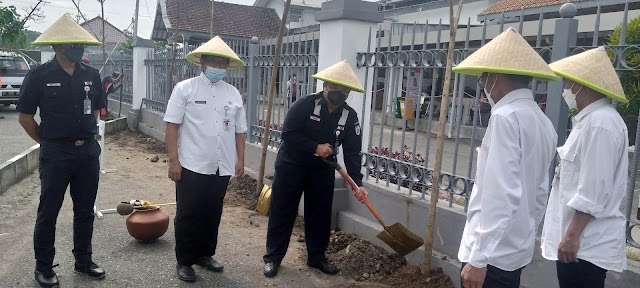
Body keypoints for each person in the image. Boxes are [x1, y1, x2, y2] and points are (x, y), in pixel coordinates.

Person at [452, 27, 559, 288]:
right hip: (514, 251)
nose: (484, 86)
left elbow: (500, 194)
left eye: (483, 79)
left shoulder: (505, 117)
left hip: (490, 258)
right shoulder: (543, 122)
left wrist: (478, 258)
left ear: (495, 77)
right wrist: (524, 232)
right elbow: (540, 192)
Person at [16, 15, 106, 288]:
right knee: (49, 212)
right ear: (57, 46)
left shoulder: (91, 74)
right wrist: (47, 142)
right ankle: (43, 267)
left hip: (87, 153)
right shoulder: (39, 75)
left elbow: (98, 110)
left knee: (85, 211)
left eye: (79, 43)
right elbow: (25, 117)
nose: (77, 48)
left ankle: (83, 260)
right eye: (70, 43)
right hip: (56, 154)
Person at [263, 60, 368, 278]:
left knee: (319, 215)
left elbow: (352, 153)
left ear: (349, 92)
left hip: (322, 171)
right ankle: (273, 258)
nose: (339, 92)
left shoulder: (350, 117)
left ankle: (317, 257)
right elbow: (288, 135)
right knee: (282, 212)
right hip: (292, 166)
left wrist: (357, 184)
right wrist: (315, 147)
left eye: (344, 89)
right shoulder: (304, 105)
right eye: (335, 87)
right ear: (326, 86)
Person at [541, 46, 629, 288]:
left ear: (583, 84)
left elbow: (594, 187)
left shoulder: (601, 123)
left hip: (584, 245)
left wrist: (572, 235)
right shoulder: (589, 121)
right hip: (577, 243)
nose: (567, 87)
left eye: (570, 81)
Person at [163, 36, 247, 283]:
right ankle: (185, 260)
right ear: (202, 61)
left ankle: (205, 254)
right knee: (189, 213)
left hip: (222, 165)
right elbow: (171, 126)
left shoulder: (232, 93)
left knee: (213, 212)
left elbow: (239, 130)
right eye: (213, 61)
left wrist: (240, 160)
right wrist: (173, 161)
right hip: (191, 164)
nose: (217, 66)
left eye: (222, 63)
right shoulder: (185, 89)